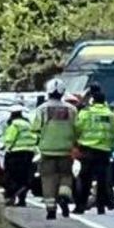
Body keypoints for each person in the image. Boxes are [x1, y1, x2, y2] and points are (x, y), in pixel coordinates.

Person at [32, 78, 77, 220]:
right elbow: (78, 128)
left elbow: (34, 128)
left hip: (47, 151)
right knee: (66, 176)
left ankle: (51, 208)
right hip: (66, 150)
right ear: (63, 92)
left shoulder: (42, 109)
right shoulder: (72, 109)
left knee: (48, 179)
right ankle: (64, 195)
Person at [74, 88, 114, 214]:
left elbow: (77, 128)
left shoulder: (86, 113)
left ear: (92, 100)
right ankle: (101, 207)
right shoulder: (111, 115)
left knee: (85, 179)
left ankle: (80, 206)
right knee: (102, 180)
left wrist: (77, 142)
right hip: (104, 151)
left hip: (87, 150)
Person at [2, 104, 37, 207]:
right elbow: (34, 138)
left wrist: (6, 148)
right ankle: (22, 199)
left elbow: (9, 139)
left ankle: (10, 196)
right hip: (29, 153)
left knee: (12, 176)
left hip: (16, 154)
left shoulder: (14, 125)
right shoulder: (28, 124)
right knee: (24, 177)